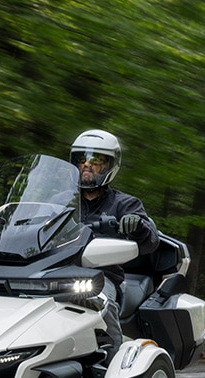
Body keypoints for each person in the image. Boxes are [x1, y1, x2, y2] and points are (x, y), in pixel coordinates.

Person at [68, 129, 159, 361]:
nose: (87, 165)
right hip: (55, 271)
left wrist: (137, 225)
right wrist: (1, 217)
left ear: (109, 166)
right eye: (82, 159)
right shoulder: (63, 200)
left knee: (97, 298)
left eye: (96, 161)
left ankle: (113, 363)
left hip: (102, 276)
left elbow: (150, 241)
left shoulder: (125, 203)